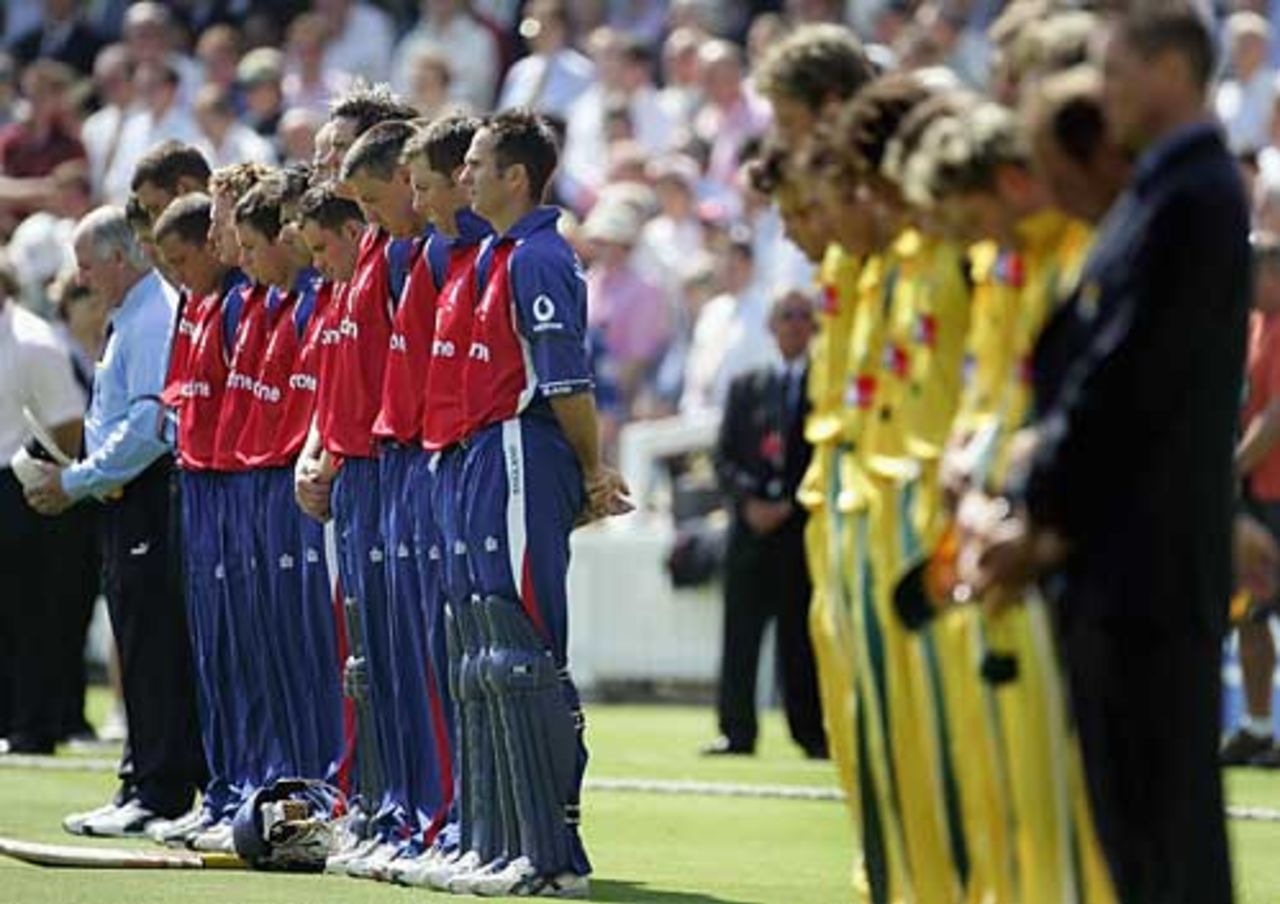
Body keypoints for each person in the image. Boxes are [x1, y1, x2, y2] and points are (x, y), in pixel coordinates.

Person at [978, 5, 1249, 901]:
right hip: (1119, 561)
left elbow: (1126, 382)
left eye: (1119, 70)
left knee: (1162, 842)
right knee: (1137, 840)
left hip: (1147, 568)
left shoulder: (1194, 194)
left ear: (1173, 69)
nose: (1107, 90)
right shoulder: (1165, 192)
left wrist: (1038, 503)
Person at [431, 108, 630, 897]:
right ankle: (505, 839)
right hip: (487, 454)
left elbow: (566, 381)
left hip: (520, 448)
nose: (465, 176)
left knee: (524, 648)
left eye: (477, 163)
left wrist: (590, 471)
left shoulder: (540, 258)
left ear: (516, 175)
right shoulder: (494, 255)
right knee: (483, 648)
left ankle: (554, 853)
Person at [26, 206, 205, 837]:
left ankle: (161, 787)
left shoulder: (152, 315)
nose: (80, 279)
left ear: (119, 259)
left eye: (85, 264)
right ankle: (141, 778)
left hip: (147, 493)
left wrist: (76, 479)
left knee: (152, 641)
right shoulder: (131, 315)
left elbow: (150, 425)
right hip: (122, 496)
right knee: (135, 635)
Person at [704, 288, 825, 759]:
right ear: (771, 326)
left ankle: (811, 732)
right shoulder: (748, 385)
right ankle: (736, 730)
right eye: (786, 316)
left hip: (798, 530)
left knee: (801, 636)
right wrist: (749, 501)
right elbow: (723, 456)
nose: (794, 324)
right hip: (750, 529)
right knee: (741, 634)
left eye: (802, 316)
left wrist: (792, 504)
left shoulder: (822, 387)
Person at [0, 256, 86, 755]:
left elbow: (67, 424)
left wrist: (41, 473)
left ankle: (32, 725)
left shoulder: (33, 340)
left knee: (28, 611)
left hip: (18, 481)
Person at [1224, 232, 1280, 768]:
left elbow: (1275, 417)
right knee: (1251, 613)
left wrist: (1230, 465)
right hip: (1257, 492)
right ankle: (1259, 726)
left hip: (1276, 490)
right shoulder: (1253, 326)